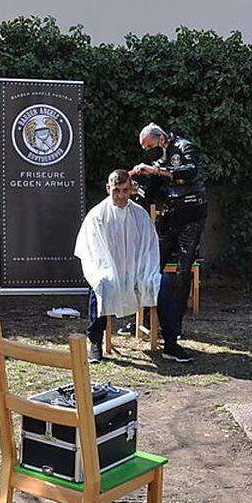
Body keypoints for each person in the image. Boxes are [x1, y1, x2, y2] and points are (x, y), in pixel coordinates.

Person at [75, 170, 183, 364]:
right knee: (100, 284)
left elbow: (149, 248)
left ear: (131, 189)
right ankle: (95, 344)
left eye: (125, 190)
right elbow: (93, 253)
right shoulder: (97, 216)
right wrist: (110, 274)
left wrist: (144, 273)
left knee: (164, 284)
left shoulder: (140, 215)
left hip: (138, 274)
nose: (121, 196)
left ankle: (170, 344)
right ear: (108, 189)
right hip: (108, 272)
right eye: (116, 190)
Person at [123, 123, 206, 363]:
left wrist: (155, 170)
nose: (149, 151)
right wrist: (134, 187)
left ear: (160, 138)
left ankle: (173, 332)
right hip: (170, 216)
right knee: (151, 266)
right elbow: (152, 193)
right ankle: (144, 320)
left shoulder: (185, 147)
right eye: (145, 149)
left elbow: (189, 172)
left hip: (191, 214)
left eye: (149, 146)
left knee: (181, 273)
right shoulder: (160, 160)